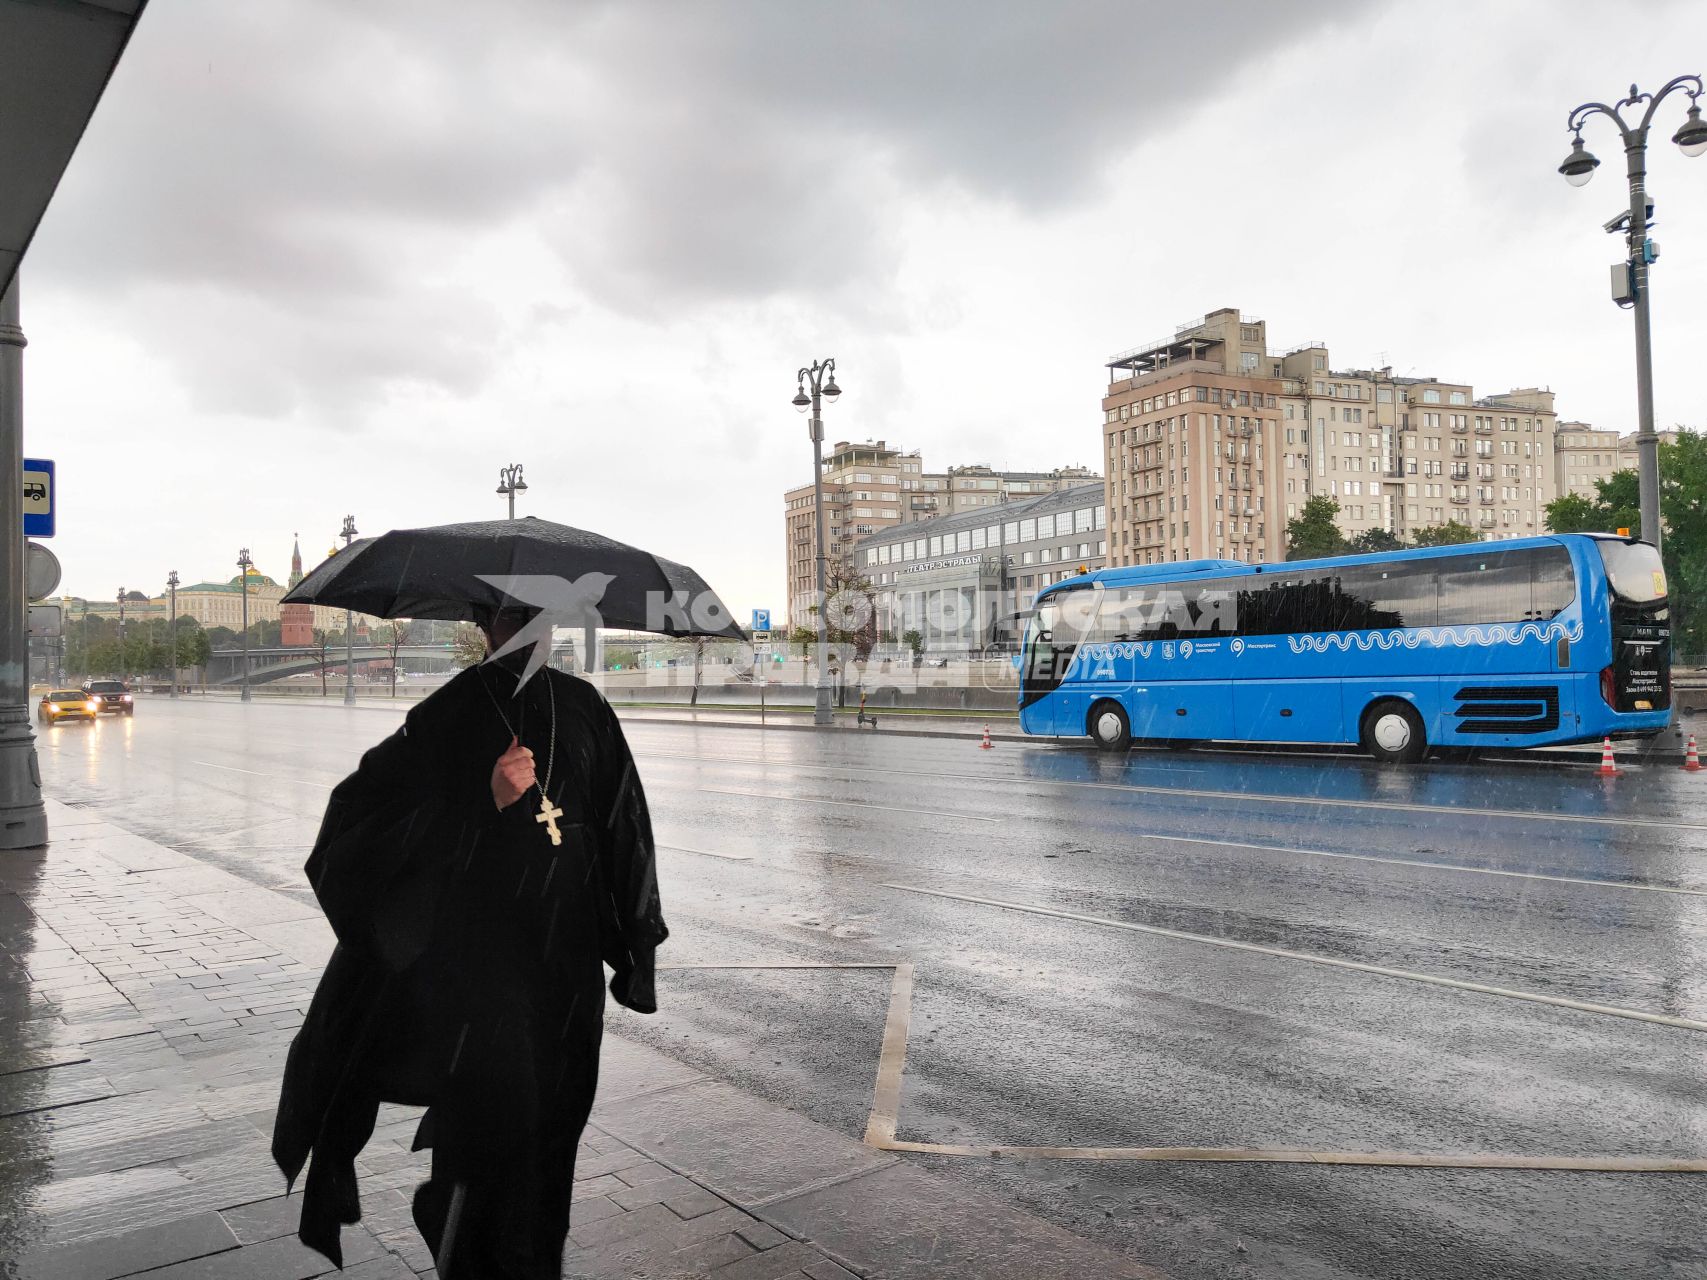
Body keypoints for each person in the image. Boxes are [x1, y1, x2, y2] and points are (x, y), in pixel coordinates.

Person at [273, 607, 666, 1279]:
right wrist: (479, 802)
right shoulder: (448, 716)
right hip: (479, 974)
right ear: (485, 620)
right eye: (515, 613)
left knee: (554, 1130)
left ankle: (530, 1260)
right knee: (495, 1131)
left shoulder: (584, 706)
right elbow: (354, 836)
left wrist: (634, 943)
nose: (529, 627)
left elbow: (624, 822)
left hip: (564, 972)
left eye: (541, 613)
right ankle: (470, 1248)